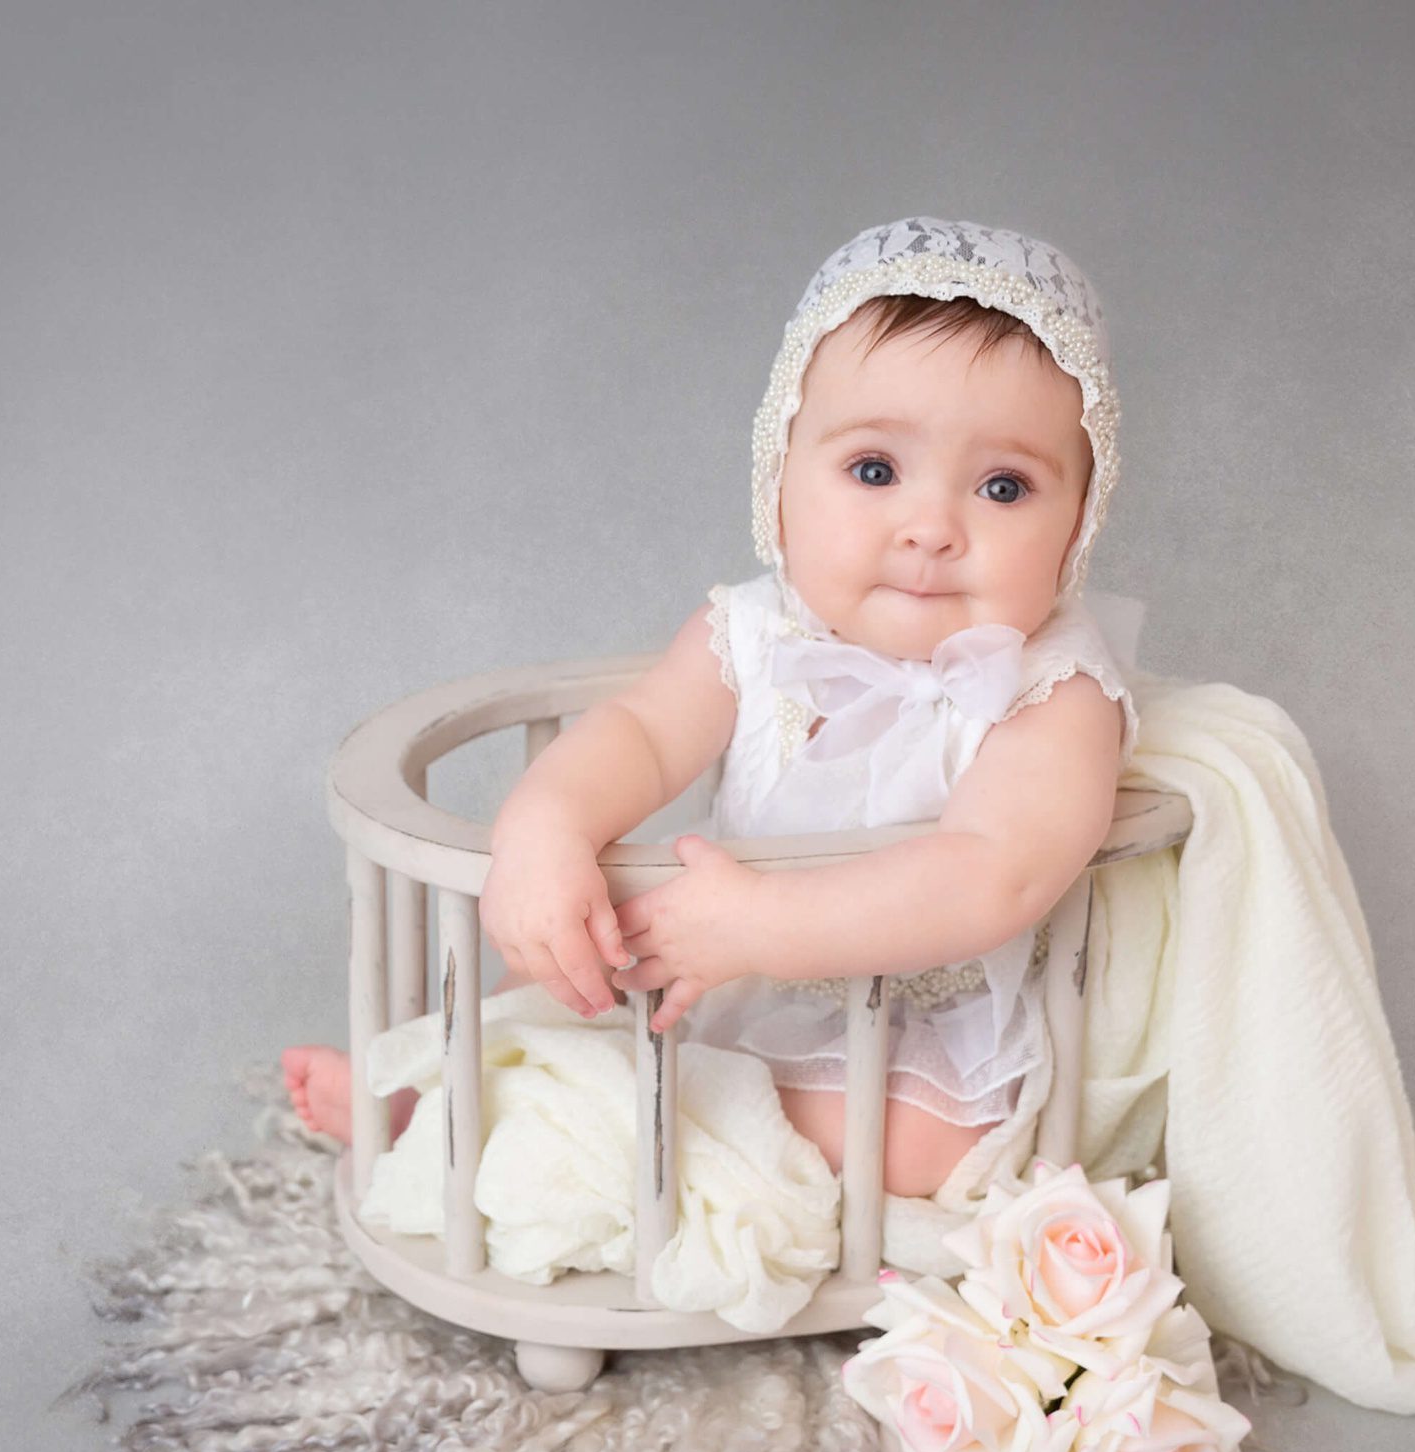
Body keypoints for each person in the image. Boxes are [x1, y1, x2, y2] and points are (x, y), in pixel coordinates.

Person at [283, 217, 1137, 1200]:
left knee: (920, 1148)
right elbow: (640, 736)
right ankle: (438, 1106)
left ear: (1079, 518)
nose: (931, 529)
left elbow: (995, 875)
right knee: (560, 981)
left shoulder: (1056, 690)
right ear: (778, 483)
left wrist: (766, 924)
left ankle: (589, 1138)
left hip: (917, 1025)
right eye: (874, 471)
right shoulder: (756, 632)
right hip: (710, 968)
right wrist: (546, 827)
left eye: (1002, 486)